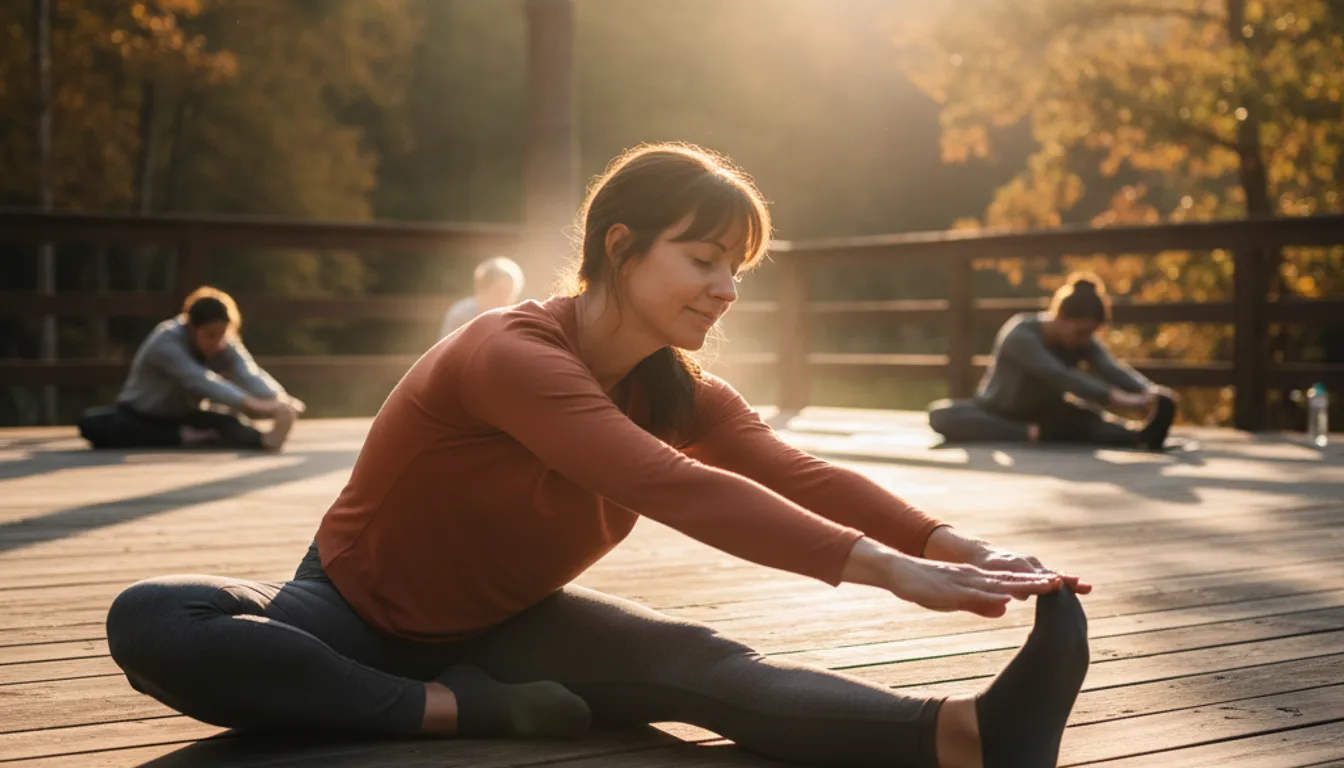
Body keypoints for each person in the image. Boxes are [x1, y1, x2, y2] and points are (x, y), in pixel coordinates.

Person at [105, 144, 1091, 768]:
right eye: (703, 261)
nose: (725, 290)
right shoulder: (510, 351)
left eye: (736, 271)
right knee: (155, 618)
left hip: (511, 625)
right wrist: (892, 573)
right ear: (622, 247)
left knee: (708, 667)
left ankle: (967, 737)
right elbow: (667, 484)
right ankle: (447, 712)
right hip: (352, 614)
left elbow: (798, 472)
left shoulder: (674, 385)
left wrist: (963, 544)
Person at [928, 273, 1177, 450]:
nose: (1084, 340)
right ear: (1061, 315)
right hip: (997, 412)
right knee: (941, 416)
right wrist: (1120, 399)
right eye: (1080, 332)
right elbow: (1059, 375)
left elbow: (1111, 368)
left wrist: (1148, 391)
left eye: (1089, 334)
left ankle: (1139, 437)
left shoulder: (1082, 342)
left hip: (1048, 413)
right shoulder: (1020, 334)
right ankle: (1029, 433)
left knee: (1091, 419)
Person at [77, 286, 303, 451]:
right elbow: (201, 380)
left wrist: (280, 399)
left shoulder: (225, 341)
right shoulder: (165, 341)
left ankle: (264, 441)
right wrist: (252, 403)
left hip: (187, 415)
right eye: (210, 335)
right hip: (142, 415)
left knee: (227, 421)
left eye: (222, 334)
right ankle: (181, 437)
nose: (217, 342)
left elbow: (249, 372)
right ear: (192, 328)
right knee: (93, 424)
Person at [439, 256, 526, 338]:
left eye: (511, 293)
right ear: (481, 289)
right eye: (499, 292)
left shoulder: (516, 321)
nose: (506, 299)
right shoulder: (460, 316)